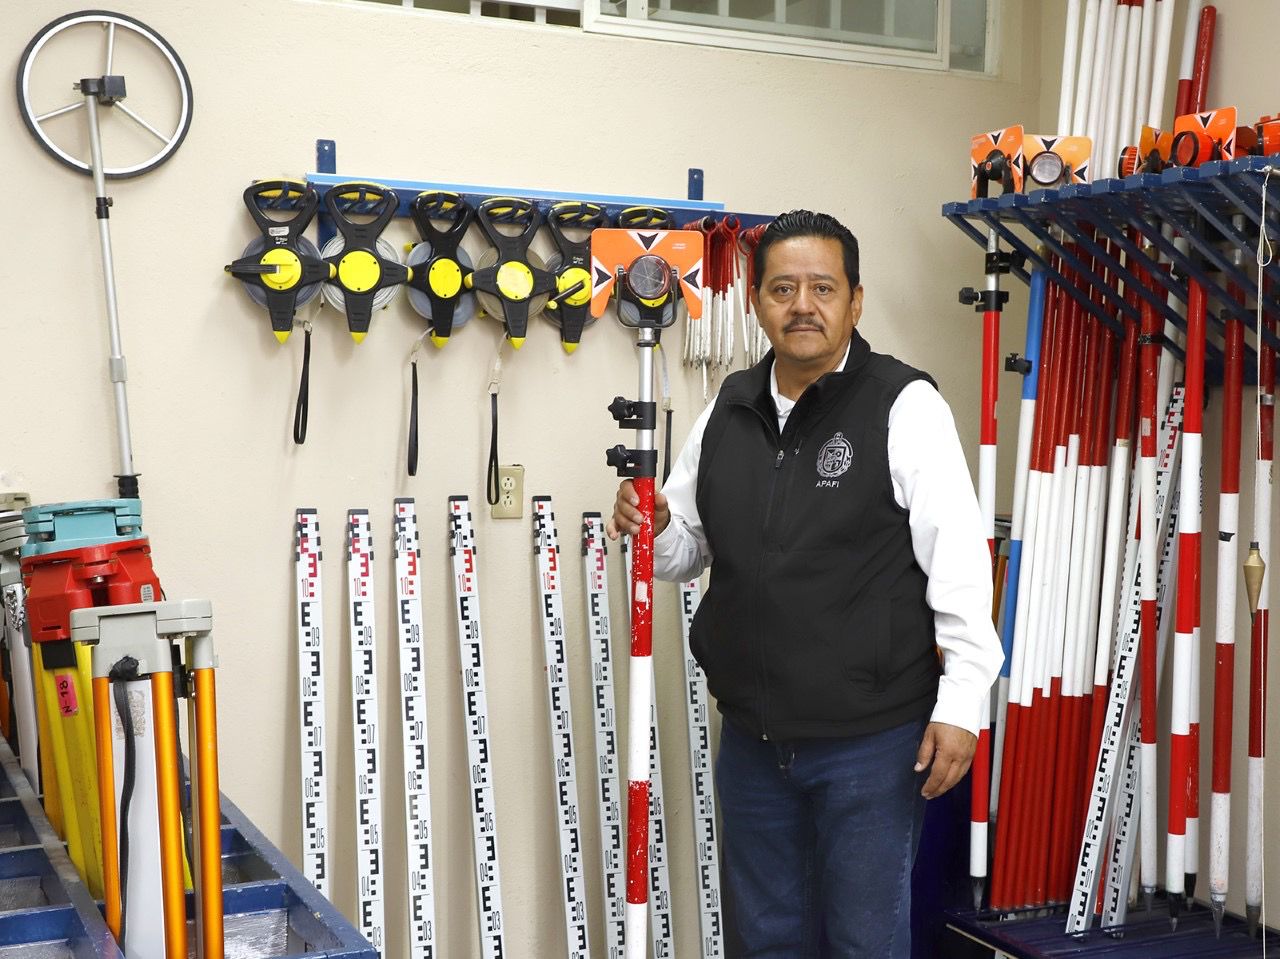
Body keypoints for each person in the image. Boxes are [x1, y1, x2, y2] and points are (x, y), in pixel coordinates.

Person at [608, 210, 1003, 957]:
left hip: (872, 746)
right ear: (756, 301)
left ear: (856, 301)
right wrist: (651, 522)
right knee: (764, 941)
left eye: (824, 287)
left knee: (863, 943)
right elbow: (685, 547)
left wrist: (962, 706)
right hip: (754, 742)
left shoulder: (904, 406)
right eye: (783, 288)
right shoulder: (729, 407)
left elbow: (960, 563)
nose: (803, 305)